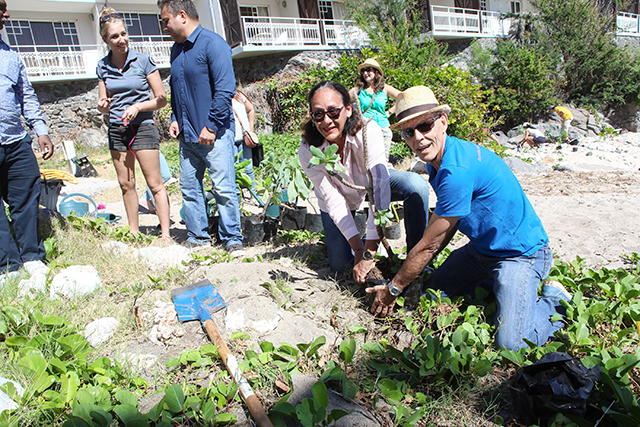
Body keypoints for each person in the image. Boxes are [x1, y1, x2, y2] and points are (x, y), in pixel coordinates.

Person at [366, 86, 570, 351]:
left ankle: (555, 301)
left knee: (511, 344)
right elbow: (446, 226)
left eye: (425, 126)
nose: (418, 138)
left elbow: (430, 244)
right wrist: (417, 267)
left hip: (521, 254)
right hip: (482, 250)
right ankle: (497, 287)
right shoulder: (438, 158)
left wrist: (393, 288)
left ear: (443, 122)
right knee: (433, 292)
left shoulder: (456, 171)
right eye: (408, 132)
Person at [299, 81, 430, 283]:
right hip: (340, 199)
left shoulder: (369, 131)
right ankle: (358, 244)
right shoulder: (309, 150)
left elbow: (379, 187)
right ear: (312, 117)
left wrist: (368, 253)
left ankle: (416, 258)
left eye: (333, 112)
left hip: (375, 186)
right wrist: (359, 249)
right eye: (319, 114)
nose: (326, 121)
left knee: (416, 185)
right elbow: (333, 200)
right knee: (341, 267)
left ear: (348, 110)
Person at [158, 0, 244, 256]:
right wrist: (175, 117)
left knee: (223, 188)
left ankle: (232, 239)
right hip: (187, 136)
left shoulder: (213, 44)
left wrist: (211, 126)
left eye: (165, 20)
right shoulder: (176, 50)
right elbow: (178, 91)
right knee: (189, 188)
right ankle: (198, 237)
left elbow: (225, 90)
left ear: (181, 16)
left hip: (214, 134)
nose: (164, 27)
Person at [96, 7, 172, 245]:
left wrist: (139, 107)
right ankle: (134, 232)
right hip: (118, 129)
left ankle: (166, 235)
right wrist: (102, 106)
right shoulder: (102, 66)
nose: (122, 40)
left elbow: (161, 99)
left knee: (155, 184)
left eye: (124, 34)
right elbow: (103, 104)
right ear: (106, 40)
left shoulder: (143, 60)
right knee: (126, 183)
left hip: (143, 127)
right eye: (115, 36)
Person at [0, 0, 54, 276]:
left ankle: (32, 259)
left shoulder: (10, 56)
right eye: (0, 6)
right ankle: (7, 267)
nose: (6, 14)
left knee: (26, 200)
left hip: (15, 141)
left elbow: (26, 97)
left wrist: (40, 129)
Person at [349, 58, 400, 160]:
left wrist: (390, 112)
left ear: (376, 72)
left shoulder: (385, 88)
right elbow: (342, 101)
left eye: (368, 70)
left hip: (383, 127)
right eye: (363, 71)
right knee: (367, 159)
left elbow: (402, 97)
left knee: (383, 160)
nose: (365, 73)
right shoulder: (358, 90)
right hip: (365, 129)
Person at [232, 89, 257, 187]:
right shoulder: (217, 95)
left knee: (248, 167)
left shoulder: (238, 95)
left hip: (244, 138)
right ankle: (238, 195)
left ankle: (253, 193)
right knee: (234, 169)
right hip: (230, 139)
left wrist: (250, 128)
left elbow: (250, 110)